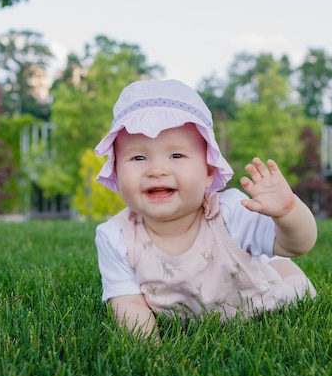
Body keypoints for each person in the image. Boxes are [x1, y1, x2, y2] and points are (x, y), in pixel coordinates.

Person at [94, 79, 317, 339]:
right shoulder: (116, 236)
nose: (156, 170)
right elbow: (128, 303)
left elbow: (297, 245)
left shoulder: (230, 212)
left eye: (176, 155)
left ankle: (280, 266)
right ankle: (269, 260)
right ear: (117, 171)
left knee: (294, 283)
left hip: (257, 303)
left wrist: (288, 212)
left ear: (209, 171)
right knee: (267, 258)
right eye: (138, 158)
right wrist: (150, 353)